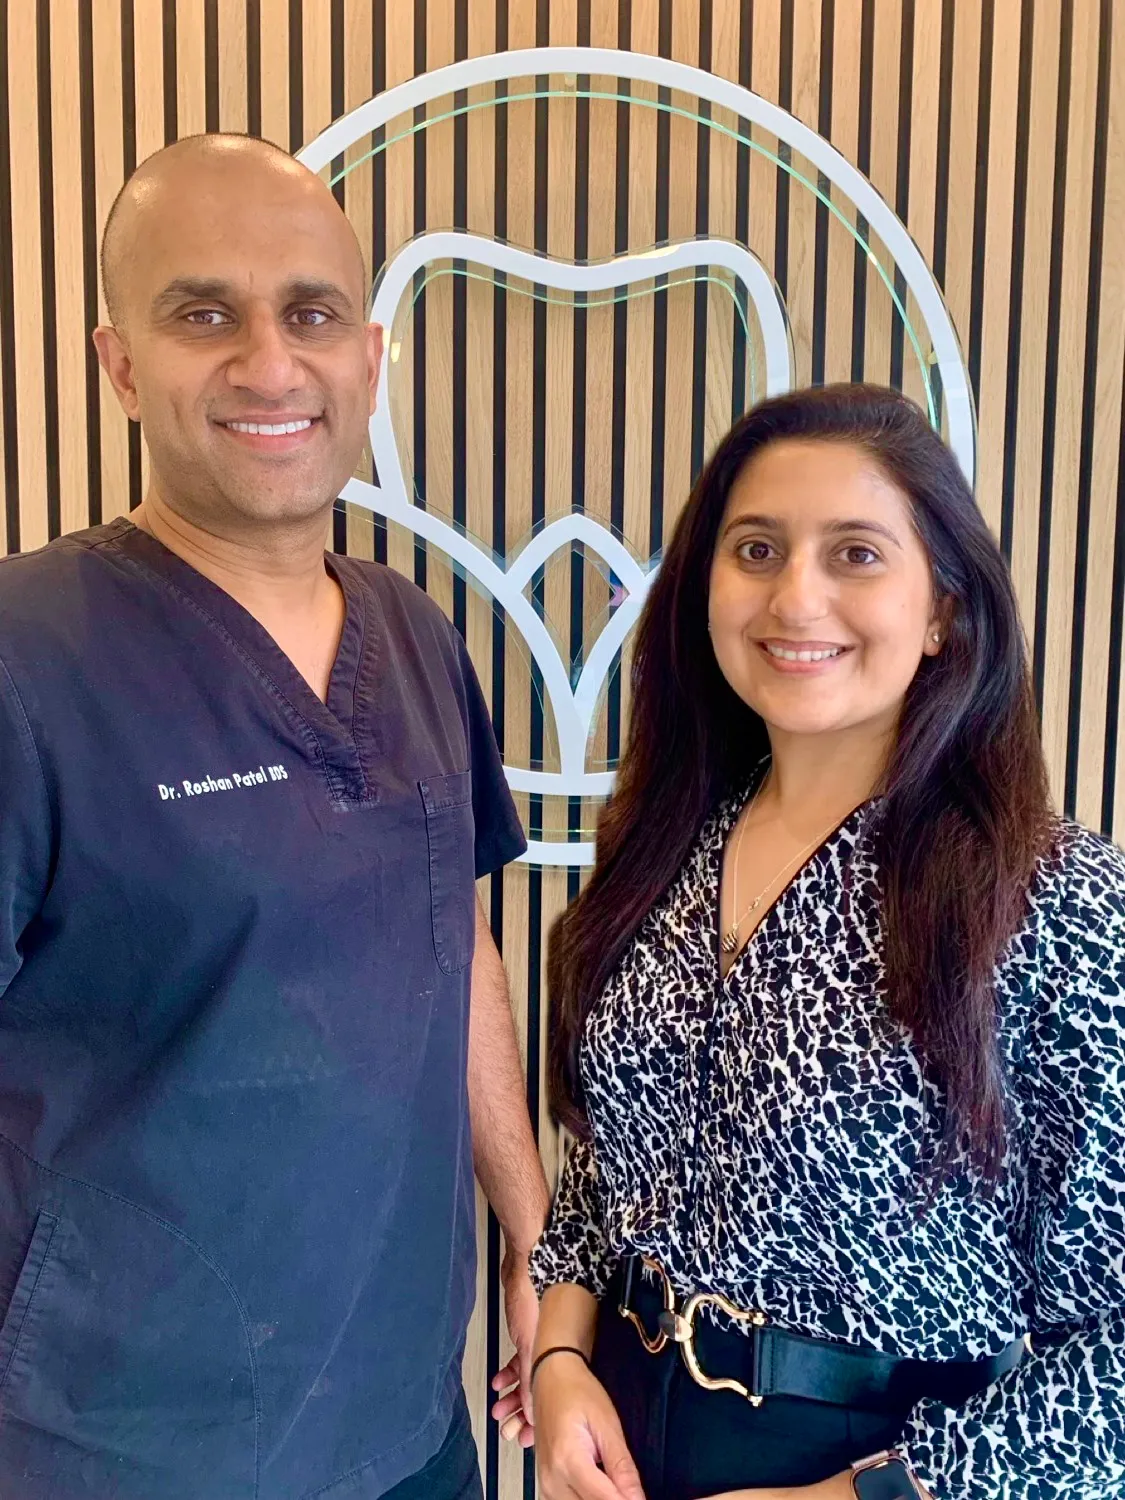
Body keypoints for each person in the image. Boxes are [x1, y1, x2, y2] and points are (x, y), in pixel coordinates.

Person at [0, 134, 547, 1500]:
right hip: (121, 1452)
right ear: (120, 360)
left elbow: (455, 939)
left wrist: (539, 1237)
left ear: (368, 356)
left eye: (307, 312)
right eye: (202, 314)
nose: (266, 363)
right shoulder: (25, 660)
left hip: (407, 1435)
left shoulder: (417, 639)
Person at [517, 385, 1125, 1500]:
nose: (797, 597)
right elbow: (609, 1155)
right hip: (618, 1437)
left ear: (943, 606)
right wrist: (559, 1356)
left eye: (855, 553)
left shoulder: (1057, 905)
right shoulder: (664, 844)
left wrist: (858, 1499)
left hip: (881, 1470)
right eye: (757, 549)